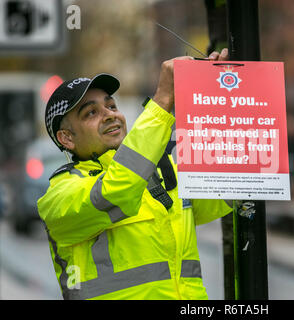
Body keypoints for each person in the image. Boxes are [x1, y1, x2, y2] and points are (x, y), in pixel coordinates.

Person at [37, 49, 233, 300]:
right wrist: (161, 100)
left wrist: (221, 95)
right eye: (91, 113)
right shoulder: (59, 197)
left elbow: (226, 189)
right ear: (67, 138)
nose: (110, 114)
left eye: (111, 105)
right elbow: (117, 190)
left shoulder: (161, 172)